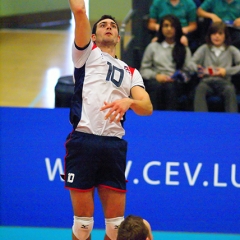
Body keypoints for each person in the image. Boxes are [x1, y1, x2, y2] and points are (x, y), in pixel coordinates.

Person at [63, 1, 153, 240]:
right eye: (103, 25)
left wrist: (130, 102)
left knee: (115, 228)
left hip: (113, 145)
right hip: (84, 140)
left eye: (113, 25)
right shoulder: (86, 54)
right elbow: (80, 12)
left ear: (119, 37)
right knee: (83, 226)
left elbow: (147, 107)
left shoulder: (131, 72)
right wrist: (79, 8)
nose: (109, 27)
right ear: (93, 35)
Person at [140, 14, 192, 110]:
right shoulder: (153, 47)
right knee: (156, 87)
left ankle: (170, 119)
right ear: (161, 28)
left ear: (177, 29)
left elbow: (188, 71)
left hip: (176, 83)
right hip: (156, 79)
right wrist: (156, 76)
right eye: (166, 26)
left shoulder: (184, 49)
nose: (169, 29)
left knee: (170, 88)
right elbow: (144, 70)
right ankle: (152, 117)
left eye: (172, 26)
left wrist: (178, 76)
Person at [187, 21, 240, 112]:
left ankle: (232, 118)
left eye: (220, 33)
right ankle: (201, 118)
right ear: (209, 35)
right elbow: (190, 63)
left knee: (230, 89)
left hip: (224, 82)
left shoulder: (231, 50)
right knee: (200, 89)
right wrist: (198, 69)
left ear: (225, 36)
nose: (217, 36)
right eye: (214, 33)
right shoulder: (204, 48)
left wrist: (226, 71)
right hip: (207, 81)